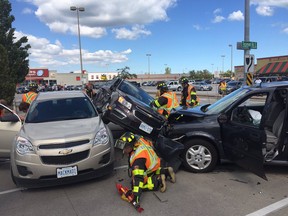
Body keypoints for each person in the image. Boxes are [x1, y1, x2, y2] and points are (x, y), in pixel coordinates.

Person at [115, 132, 176, 207]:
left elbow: (138, 179)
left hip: (149, 167)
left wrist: (135, 197)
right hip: (154, 164)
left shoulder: (137, 160)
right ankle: (165, 171)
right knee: (142, 174)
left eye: (125, 147)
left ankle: (158, 181)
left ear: (130, 146)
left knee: (134, 184)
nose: (123, 150)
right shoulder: (139, 140)